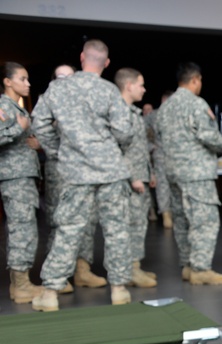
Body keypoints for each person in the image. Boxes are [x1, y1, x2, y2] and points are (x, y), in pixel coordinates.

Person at [31, 39, 135, 311]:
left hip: (76, 171)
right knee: (117, 230)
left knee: (68, 229)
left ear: (81, 57)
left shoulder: (59, 88)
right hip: (111, 170)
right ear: (107, 63)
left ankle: (51, 293)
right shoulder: (110, 90)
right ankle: (120, 290)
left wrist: (57, 150)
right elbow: (125, 131)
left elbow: (38, 122)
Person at [157, 62, 222, 284]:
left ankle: (187, 265)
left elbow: (158, 134)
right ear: (195, 80)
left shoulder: (166, 107)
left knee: (181, 220)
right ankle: (201, 269)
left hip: (173, 173)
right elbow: (209, 136)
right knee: (204, 220)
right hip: (196, 173)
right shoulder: (197, 104)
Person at [0, 61, 43, 303]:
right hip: (14, 178)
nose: (27, 84)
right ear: (8, 82)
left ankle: (23, 282)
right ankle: (20, 286)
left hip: (23, 177)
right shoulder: (3, 106)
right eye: (22, 79)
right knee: (21, 229)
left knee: (25, 227)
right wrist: (18, 129)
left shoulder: (17, 108)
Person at [114, 67, 158, 289]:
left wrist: (148, 172)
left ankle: (135, 267)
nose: (144, 88)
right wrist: (133, 177)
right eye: (140, 84)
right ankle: (129, 270)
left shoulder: (133, 112)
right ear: (129, 85)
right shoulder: (119, 111)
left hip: (140, 176)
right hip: (128, 181)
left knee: (139, 223)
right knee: (131, 224)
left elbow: (138, 148)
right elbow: (117, 149)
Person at [147, 91, 173, 228]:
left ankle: (171, 214)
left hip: (178, 156)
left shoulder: (180, 113)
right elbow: (140, 134)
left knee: (175, 185)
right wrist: (151, 147)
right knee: (163, 185)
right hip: (163, 155)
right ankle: (166, 215)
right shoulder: (153, 115)